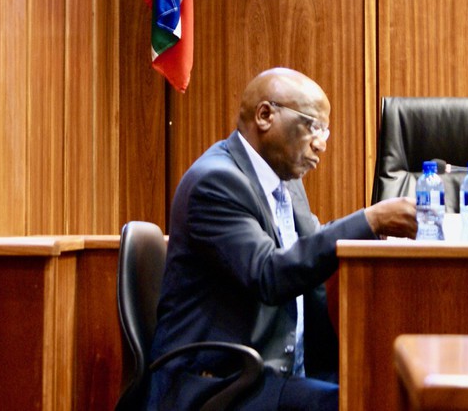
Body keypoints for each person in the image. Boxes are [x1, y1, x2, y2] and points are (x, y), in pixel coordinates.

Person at [145, 67, 417, 411]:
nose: (321, 143)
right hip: (218, 382)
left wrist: (379, 235)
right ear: (265, 115)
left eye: (326, 130)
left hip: (280, 373)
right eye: (313, 126)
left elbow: (312, 246)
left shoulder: (285, 183)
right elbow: (269, 274)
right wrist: (371, 218)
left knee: (382, 387)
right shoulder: (215, 182)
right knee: (365, 403)